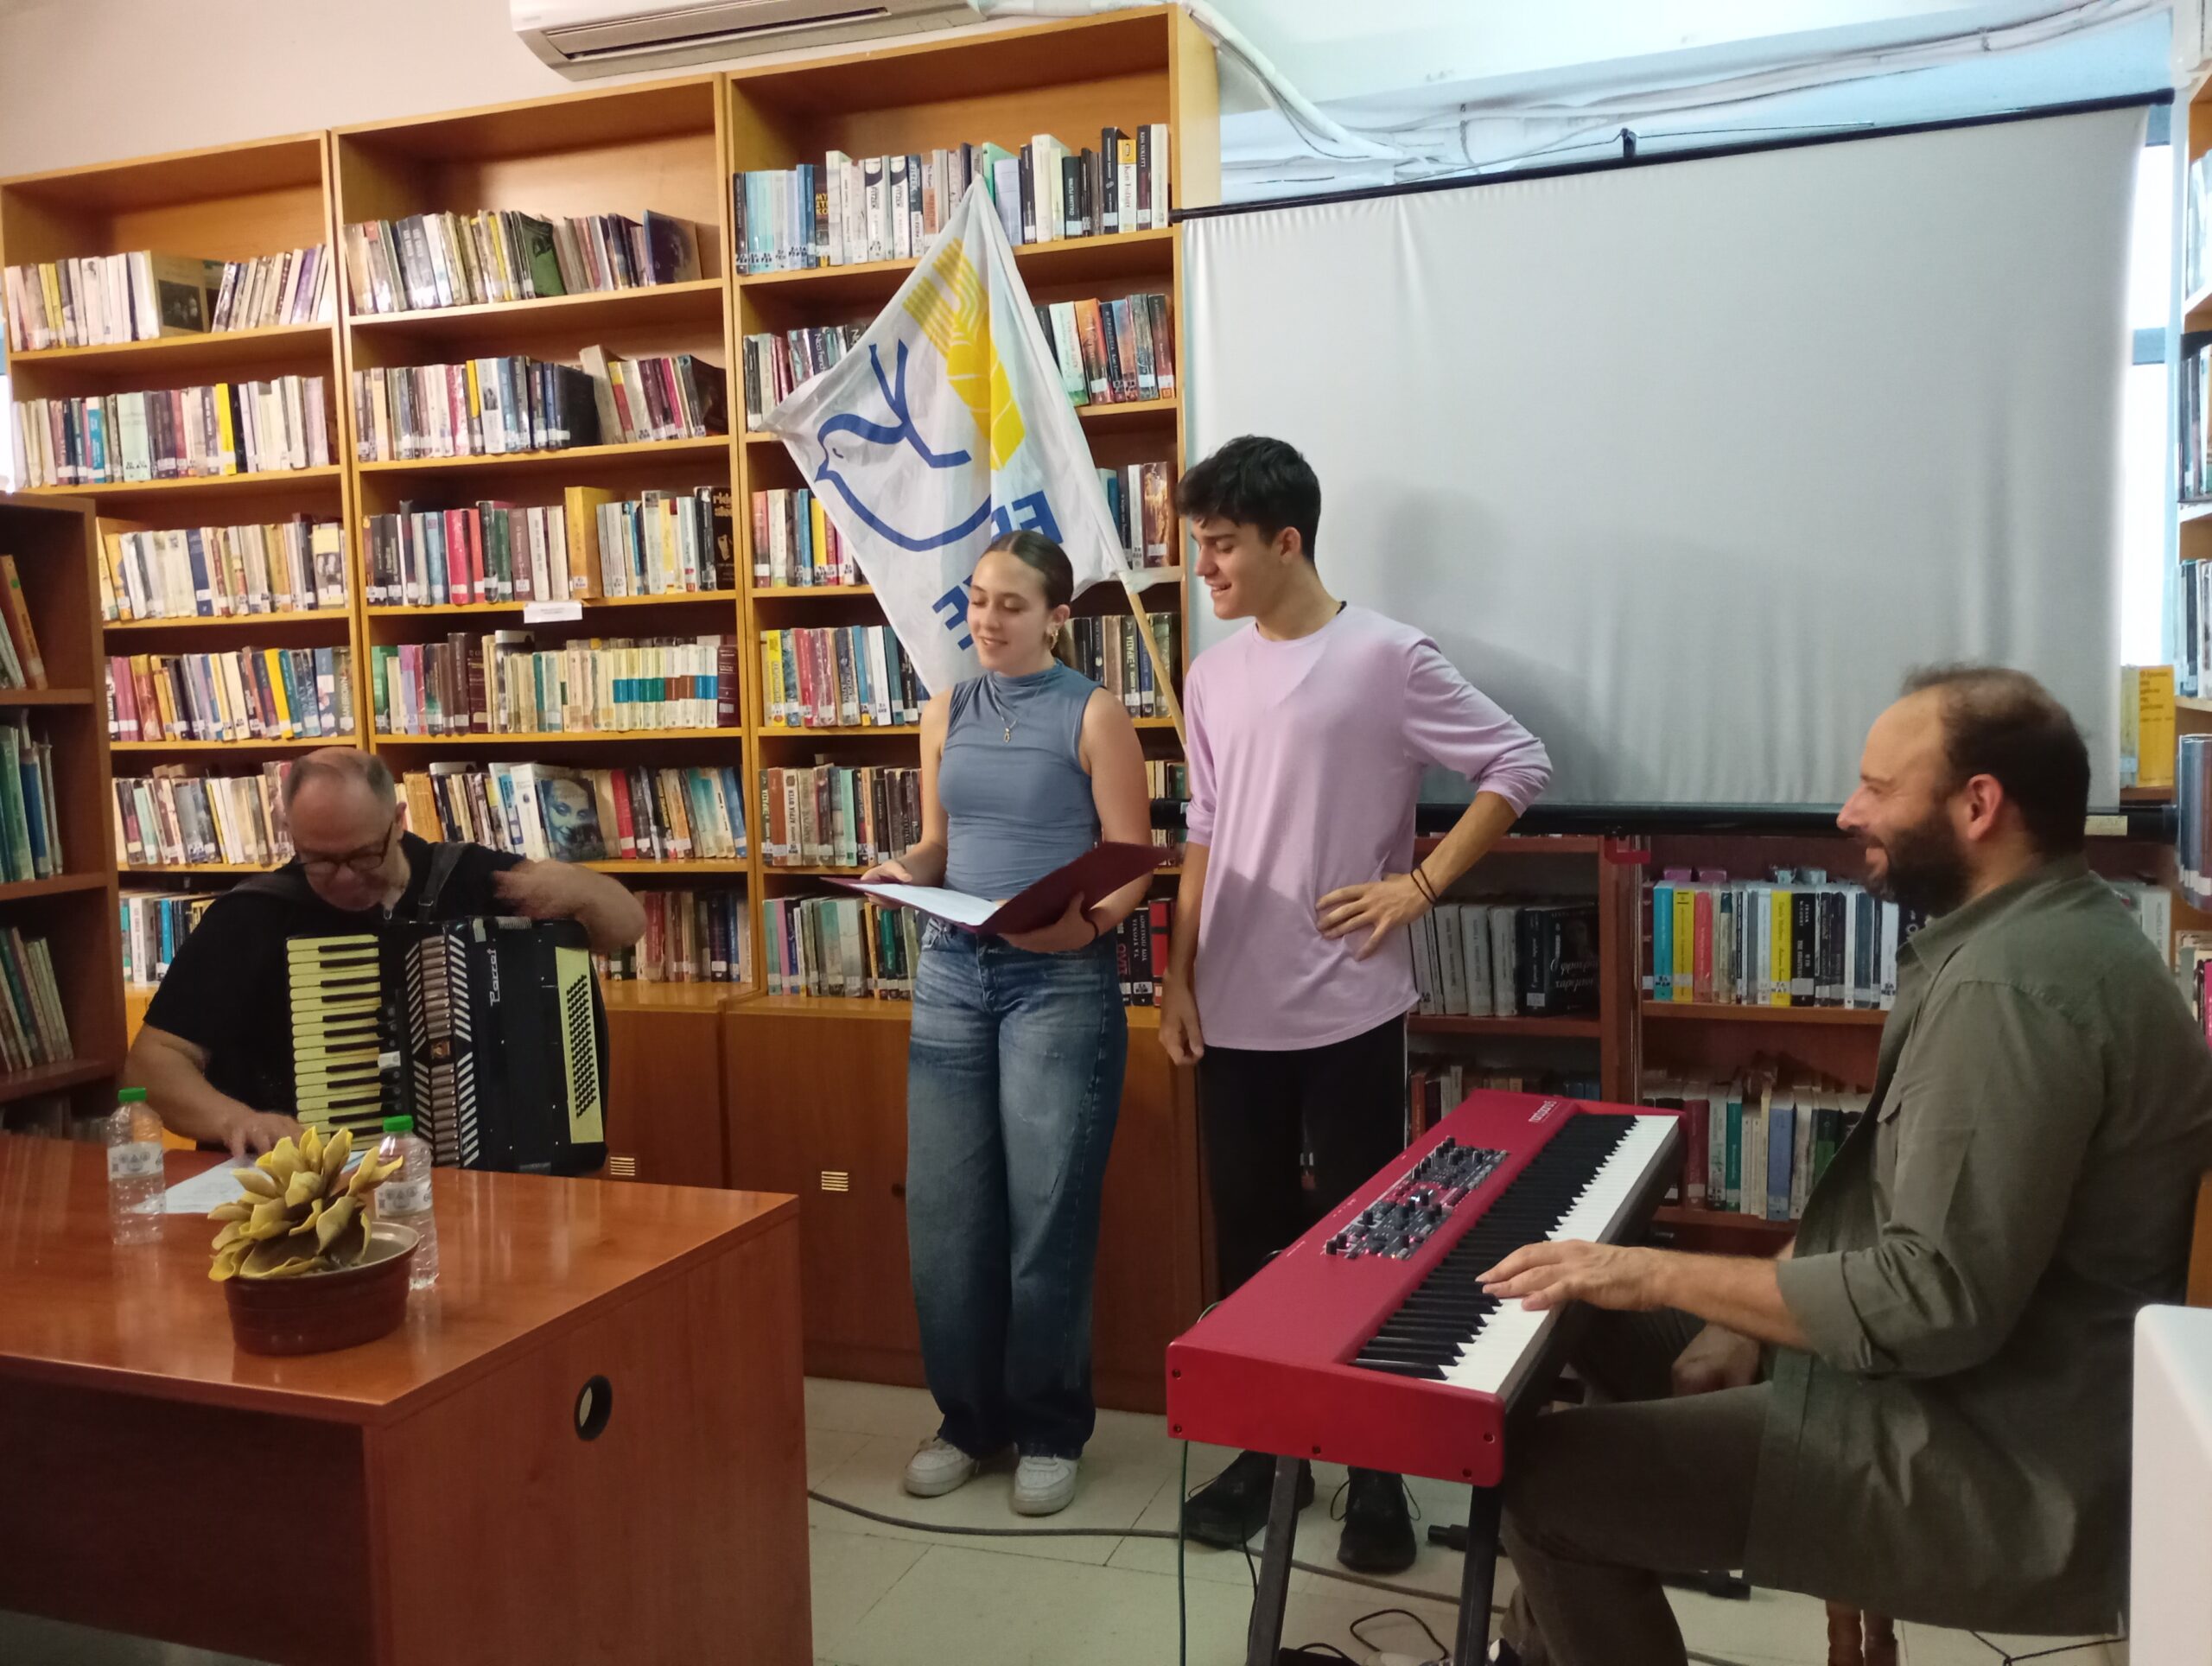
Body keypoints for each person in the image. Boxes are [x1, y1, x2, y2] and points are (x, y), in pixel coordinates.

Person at [1478, 667, 2212, 1666]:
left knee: (1545, 1486)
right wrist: (1730, 1318)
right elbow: (1882, 1209)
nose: (1846, 811)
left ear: (1977, 805)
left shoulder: (2011, 991)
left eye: (1876, 787)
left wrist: (1653, 1270)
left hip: (1988, 1452)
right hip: (1952, 1388)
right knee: (1585, 1316)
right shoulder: (2041, 932)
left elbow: (1931, 1300)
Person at [1160, 436, 1554, 1573]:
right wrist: (1179, 976)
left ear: (1286, 542)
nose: (1204, 567)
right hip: (1231, 1008)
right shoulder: (1211, 675)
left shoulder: (1386, 656)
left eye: (1221, 545)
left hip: (1347, 1006)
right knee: (1248, 1238)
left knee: (1367, 1242)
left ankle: (1373, 1470)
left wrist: (1420, 885)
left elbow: (1518, 764)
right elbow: (1203, 835)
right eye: (1199, 546)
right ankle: (1262, 1451)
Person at [861, 529, 1154, 1518]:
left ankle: (1049, 1426)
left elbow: (1129, 856)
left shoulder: (1093, 711)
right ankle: (967, 1420)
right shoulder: (944, 708)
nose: (987, 619)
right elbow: (940, 844)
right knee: (946, 1219)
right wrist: (904, 870)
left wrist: (1084, 925)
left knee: (1045, 1217)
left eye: (1011, 604)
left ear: (1056, 617)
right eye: (979, 599)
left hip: (1057, 981)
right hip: (952, 971)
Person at [126, 747, 647, 1159]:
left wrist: (580, 888)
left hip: (488, 1176)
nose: (344, 878)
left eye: (362, 855)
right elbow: (153, 1062)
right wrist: (237, 1120)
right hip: (315, 1190)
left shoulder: (466, 877)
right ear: (292, 835)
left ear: (398, 821)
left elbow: (626, 927)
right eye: (319, 859)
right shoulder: (253, 916)